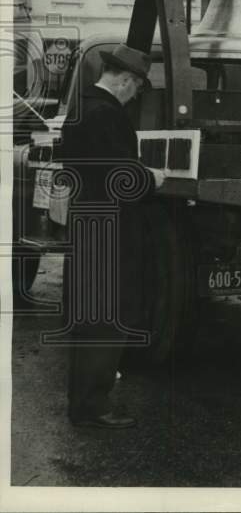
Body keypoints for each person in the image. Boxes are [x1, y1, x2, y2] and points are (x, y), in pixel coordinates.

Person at [59, 44, 166, 428]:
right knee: (107, 319)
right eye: (136, 87)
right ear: (125, 81)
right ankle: (93, 407)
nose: (135, 95)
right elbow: (117, 177)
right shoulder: (105, 114)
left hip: (90, 225)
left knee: (91, 318)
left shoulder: (81, 109)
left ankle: (84, 402)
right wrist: (150, 177)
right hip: (111, 231)